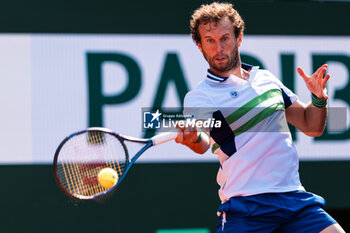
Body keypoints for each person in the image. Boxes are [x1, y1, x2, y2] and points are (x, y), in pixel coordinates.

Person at [175, 2, 345, 233]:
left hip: (294, 199)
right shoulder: (200, 96)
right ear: (199, 45)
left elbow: (311, 125)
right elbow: (203, 142)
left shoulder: (266, 79)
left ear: (239, 38)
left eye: (225, 38)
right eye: (210, 41)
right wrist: (192, 138)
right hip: (247, 208)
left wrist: (318, 98)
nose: (218, 48)